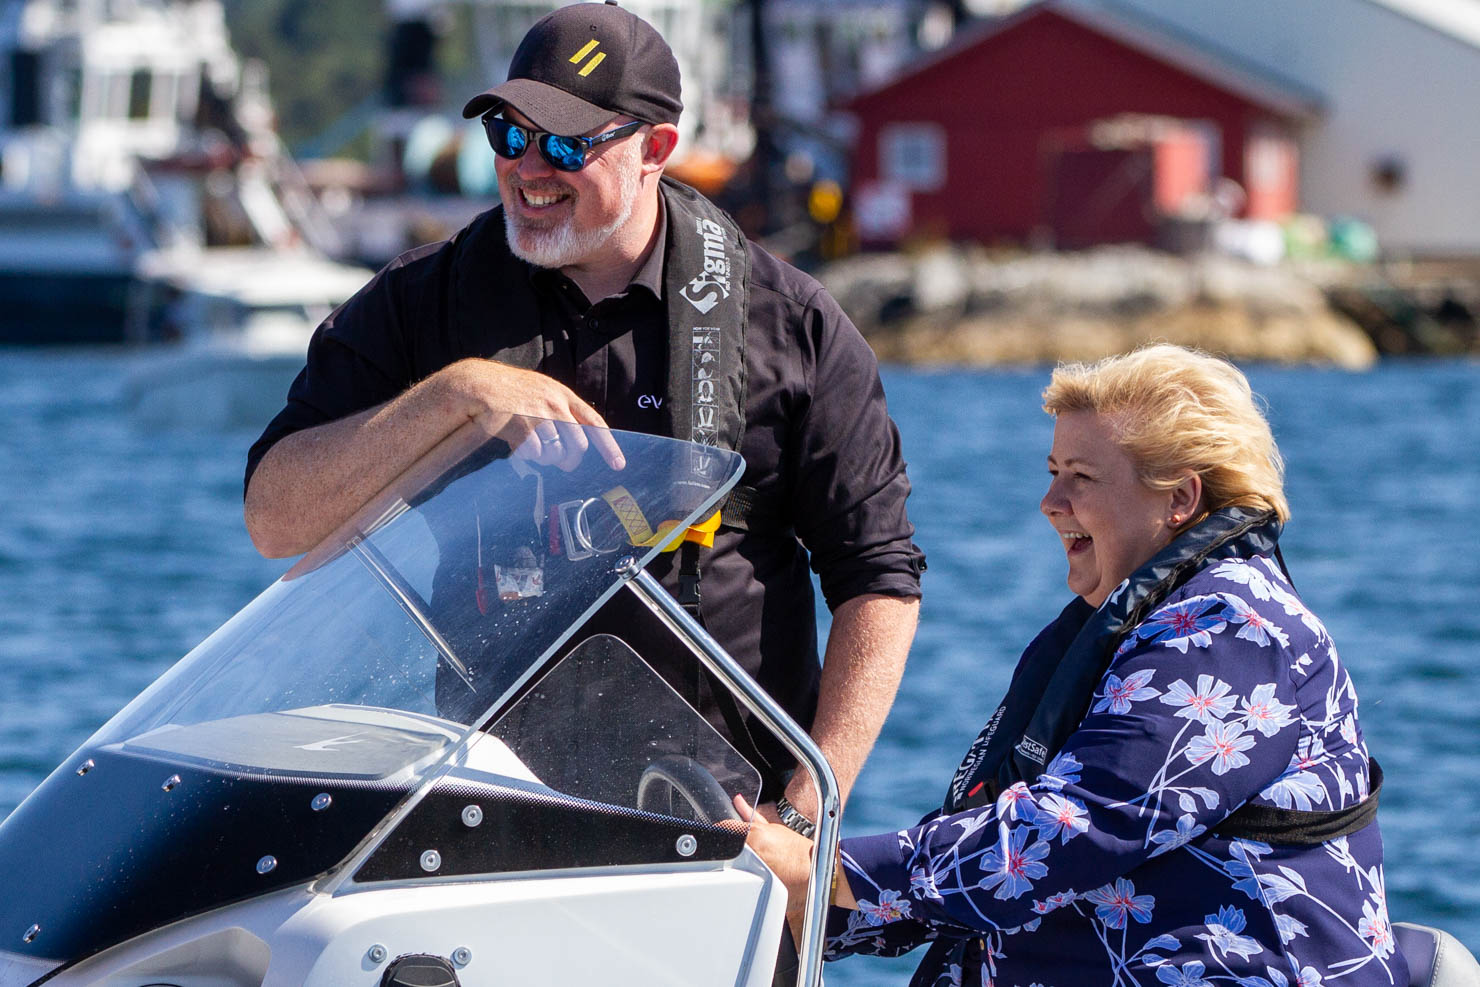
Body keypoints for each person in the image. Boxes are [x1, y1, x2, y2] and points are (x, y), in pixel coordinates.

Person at [242, 1, 923, 830]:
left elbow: (877, 577)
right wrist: (453, 397)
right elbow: (276, 518)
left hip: (722, 823)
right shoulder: (422, 304)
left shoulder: (791, 325)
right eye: (509, 136)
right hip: (484, 803)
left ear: (655, 152)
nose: (530, 167)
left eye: (566, 144)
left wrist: (808, 811)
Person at [742, 345, 1407, 987]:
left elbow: (1071, 832)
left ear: (1180, 498)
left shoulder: (1230, 632)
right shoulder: (1110, 630)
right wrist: (800, 902)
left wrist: (820, 866)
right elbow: (992, 847)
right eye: (1052, 470)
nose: (1050, 501)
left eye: (1081, 477)